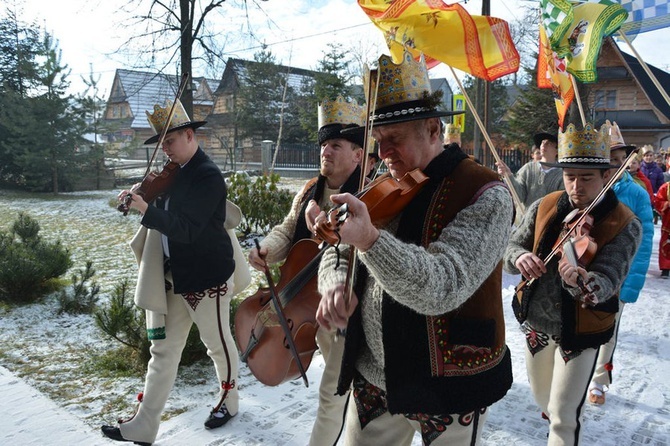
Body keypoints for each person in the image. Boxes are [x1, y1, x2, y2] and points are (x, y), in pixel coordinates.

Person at [313, 52, 514, 446]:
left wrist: (370, 240)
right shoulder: (380, 183)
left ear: (434, 130)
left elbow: (443, 284)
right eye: (379, 141)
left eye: (396, 139)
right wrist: (336, 282)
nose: (384, 153)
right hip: (376, 376)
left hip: (449, 379)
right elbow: (337, 249)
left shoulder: (486, 193)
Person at [102, 99, 250, 445]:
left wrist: (147, 210)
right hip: (173, 277)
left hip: (207, 278)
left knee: (217, 345)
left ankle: (229, 401)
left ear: (188, 135)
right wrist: (139, 197)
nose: (165, 150)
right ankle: (145, 424)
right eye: (161, 143)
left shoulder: (207, 175)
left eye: (169, 141)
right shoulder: (172, 175)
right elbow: (162, 208)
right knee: (164, 352)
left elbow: (187, 229)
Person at [504, 122, 642, 445]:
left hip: (582, 331)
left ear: (606, 176)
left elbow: (609, 276)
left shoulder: (624, 223)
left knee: (564, 417)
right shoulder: (544, 206)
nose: (576, 187)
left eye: (586, 178)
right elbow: (511, 246)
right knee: (544, 401)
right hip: (537, 324)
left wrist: (585, 283)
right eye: (570, 177)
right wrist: (519, 258)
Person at [248, 95, 365, 446]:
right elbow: (287, 229)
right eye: (323, 145)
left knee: (333, 391)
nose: (325, 152)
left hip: (341, 309)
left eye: (336, 145)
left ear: (358, 154)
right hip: (302, 305)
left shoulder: (367, 193)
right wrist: (268, 249)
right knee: (344, 387)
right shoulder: (309, 190)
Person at [586, 121, 653, 405]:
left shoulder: (636, 194)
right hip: (587, 272)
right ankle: (576, 375)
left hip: (619, 277)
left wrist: (632, 283)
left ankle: (599, 381)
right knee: (583, 325)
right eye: (608, 159)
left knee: (608, 329)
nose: (613, 165)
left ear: (626, 161)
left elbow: (645, 238)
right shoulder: (588, 188)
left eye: (618, 159)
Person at [496, 131, 564, 209]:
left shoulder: (562, 174)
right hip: (527, 218)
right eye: (542, 142)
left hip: (550, 220)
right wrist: (508, 175)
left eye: (549, 143)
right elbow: (519, 196)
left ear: (557, 150)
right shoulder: (528, 168)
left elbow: (561, 203)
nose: (543, 145)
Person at [653, 181, 670, 278]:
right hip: (668, 222)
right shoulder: (666, 187)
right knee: (666, 245)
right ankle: (666, 268)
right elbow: (658, 201)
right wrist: (667, 204)